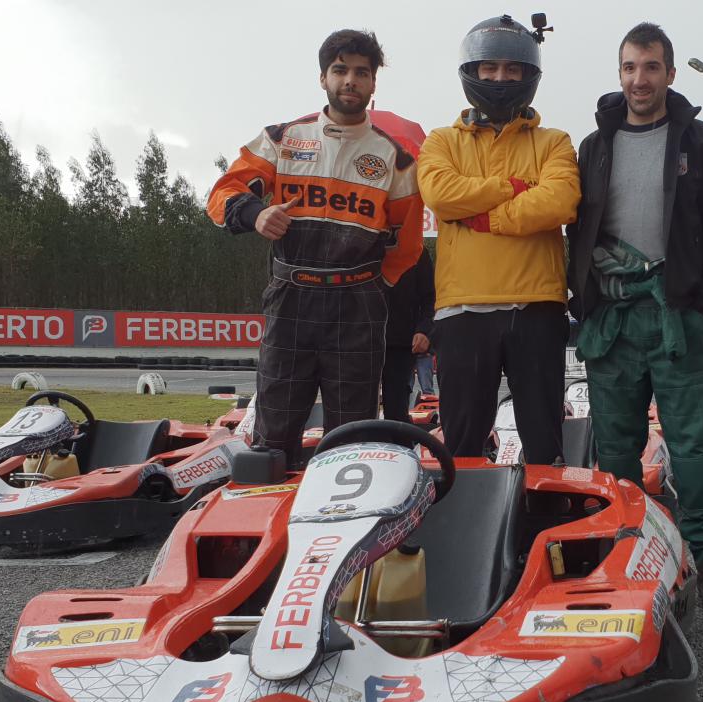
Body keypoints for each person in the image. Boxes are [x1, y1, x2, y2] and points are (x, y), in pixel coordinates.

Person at [568, 22, 703, 609]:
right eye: (628, 68)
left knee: (692, 445)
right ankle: (620, 548)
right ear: (619, 74)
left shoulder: (701, 140)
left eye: (650, 67)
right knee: (614, 449)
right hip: (612, 321)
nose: (638, 79)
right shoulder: (594, 146)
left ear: (668, 73)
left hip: (678, 319)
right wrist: (582, 299)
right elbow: (577, 230)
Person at [207, 30, 422, 465]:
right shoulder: (282, 138)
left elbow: (408, 243)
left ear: (374, 84)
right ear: (323, 78)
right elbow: (222, 193)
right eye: (340, 70)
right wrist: (256, 215)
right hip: (291, 300)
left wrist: (375, 285)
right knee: (274, 430)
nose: (350, 80)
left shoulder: (396, 159)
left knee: (351, 437)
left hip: (358, 305)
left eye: (361, 72)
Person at [418, 14, 580, 463]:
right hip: (463, 308)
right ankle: (463, 526)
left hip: (538, 307)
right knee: (464, 441)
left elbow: (560, 202)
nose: (501, 78)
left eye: (513, 69)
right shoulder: (441, 141)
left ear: (530, 76)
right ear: (472, 73)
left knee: (544, 442)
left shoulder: (554, 142)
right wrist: (515, 187)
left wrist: (487, 218)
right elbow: (442, 195)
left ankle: (548, 523)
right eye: (490, 68)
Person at [381, 254, 435, 423]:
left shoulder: (418, 252)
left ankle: (399, 443)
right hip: (358, 341)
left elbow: (430, 297)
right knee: (355, 410)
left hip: (401, 344)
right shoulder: (363, 243)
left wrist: (424, 330)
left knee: (396, 410)